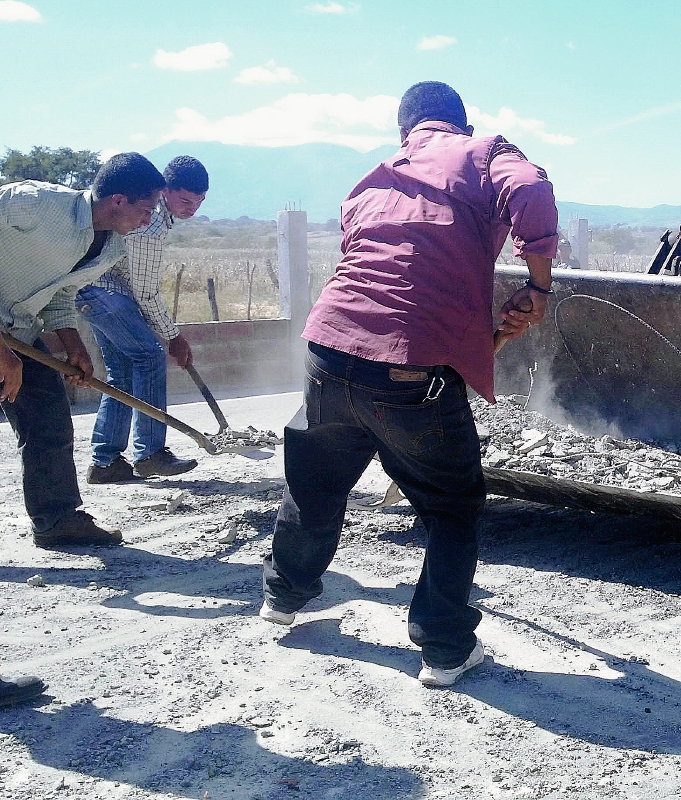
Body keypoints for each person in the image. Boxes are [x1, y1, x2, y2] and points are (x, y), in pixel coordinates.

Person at [259, 82, 558, 688]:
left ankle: (284, 595)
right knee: (452, 506)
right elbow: (530, 190)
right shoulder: (482, 152)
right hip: (408, 371)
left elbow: (385, 273)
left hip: (329, 349)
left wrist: (476, 332)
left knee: (315, 479)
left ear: (405, 131)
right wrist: (539, 285)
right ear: (459, 122)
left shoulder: (373, 181)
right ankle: (445, 648)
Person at [0, 153, 164, 706]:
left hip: (20, 331)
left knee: (48, 416)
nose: (148, 220)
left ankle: (58, 519)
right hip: (3, 338)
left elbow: (60, 298)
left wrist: (72, 349)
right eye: (144, 209)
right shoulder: (35, 205)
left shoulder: (110, 246)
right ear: (116, 200)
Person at [77, 156, 209, 483]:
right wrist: (173, 336)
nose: (192, 208)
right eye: (185, 200)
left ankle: (105, 462)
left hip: (93, 288)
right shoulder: (149, 224)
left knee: (122, 372)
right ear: (165, 191)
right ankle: (150, 454)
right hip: (101, 289)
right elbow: (145, 291)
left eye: (199, 202)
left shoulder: (154, 219)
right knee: (149, 356)